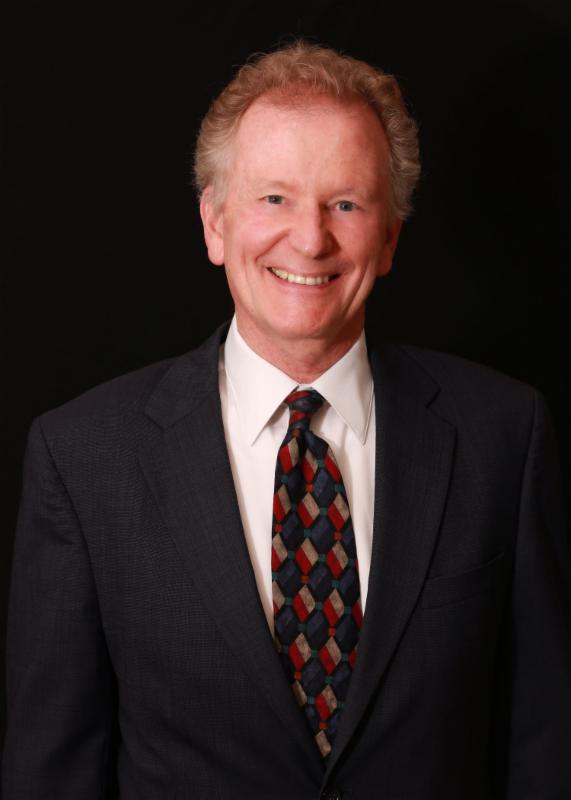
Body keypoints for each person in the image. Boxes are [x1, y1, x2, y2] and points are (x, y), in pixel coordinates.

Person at [2, 40, 570, 800]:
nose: (310, 238)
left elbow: (545, 746)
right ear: (214, 223)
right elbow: (51, 770)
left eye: (346, 203)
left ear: (390, 236)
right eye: (274, 198)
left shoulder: (503, 435)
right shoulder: (82, 458)